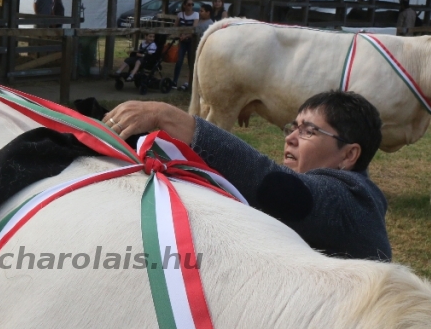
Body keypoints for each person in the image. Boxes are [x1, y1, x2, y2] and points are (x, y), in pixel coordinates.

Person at [103, 90, 391, 261]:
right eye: (294, 127)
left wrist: (167, 117)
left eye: (308, 131)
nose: (290, 138)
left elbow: (278, 188)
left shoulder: (353, 201)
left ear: (349, 155)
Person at [172, 0, 199, 90]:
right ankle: (174, 81)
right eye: (188, 4)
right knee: (179, 61)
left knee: (191, 62)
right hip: (182, 41)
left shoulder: (196, 15)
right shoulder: (180, 15)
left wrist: (187, 36)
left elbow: (194, 28)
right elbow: (175, 26)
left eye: (192, 4)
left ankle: (191, 82)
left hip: (191, 41)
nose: (190, 6)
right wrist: (178, 35)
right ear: (184, 5)